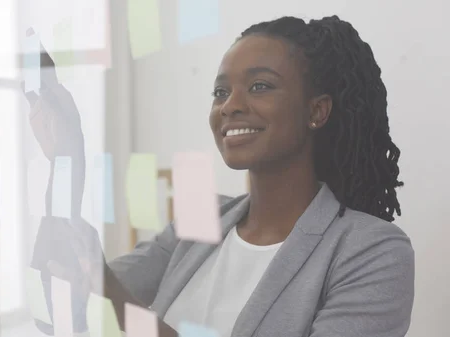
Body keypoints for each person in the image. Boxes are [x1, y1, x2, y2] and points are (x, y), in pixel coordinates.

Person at [26, 15, 414, 337]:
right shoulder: (199, 223)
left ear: (317, 111)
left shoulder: (372, 252)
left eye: (260, 86)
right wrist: (67, 158)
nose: (230, 106)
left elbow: (108, 296)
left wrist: (117, 301)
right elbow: (66, 306)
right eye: (220, 92)